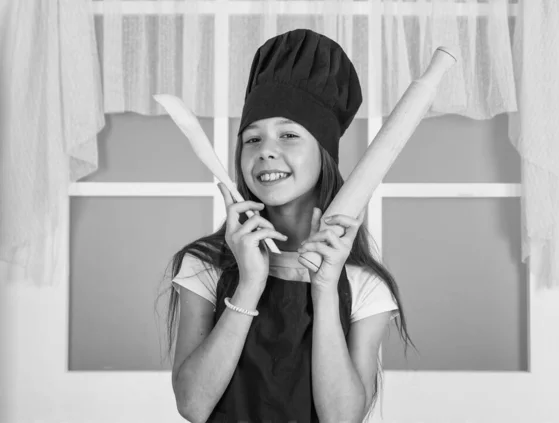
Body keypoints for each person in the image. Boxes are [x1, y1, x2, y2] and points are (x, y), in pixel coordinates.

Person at [164, 28, 416, 423]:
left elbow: (342, 418)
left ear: (324, 154)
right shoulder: (204, 266)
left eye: (288, 135)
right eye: (252, 139)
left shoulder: (365, 285)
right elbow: (193, 406)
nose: (266, 150)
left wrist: (325, 289)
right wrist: (249, 284)